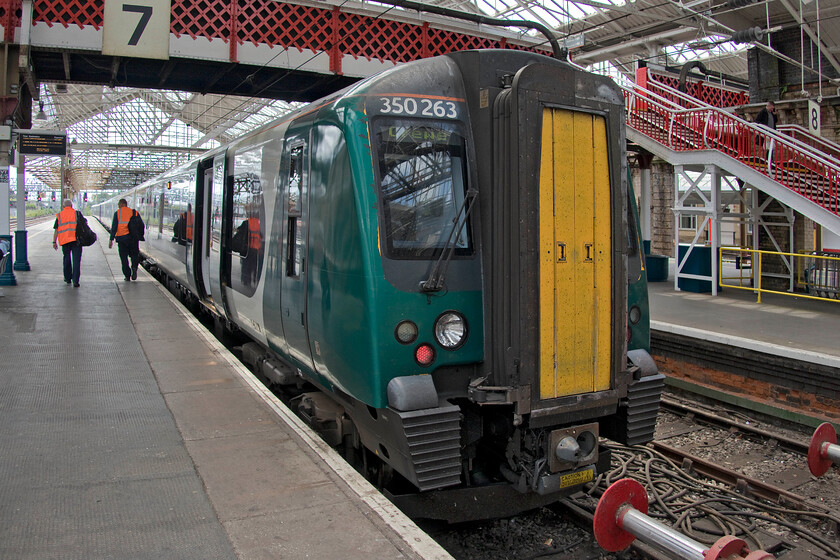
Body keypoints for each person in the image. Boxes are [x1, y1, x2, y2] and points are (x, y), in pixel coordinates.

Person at [109, 198, 141, 281]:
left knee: (124, 258)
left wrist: (111, 239)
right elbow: (141, 225)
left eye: (119, 205)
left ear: (122, 204)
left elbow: (114, 227)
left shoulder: (117, 213)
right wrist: (139, 236)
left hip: (122, 239)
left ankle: (127, 275)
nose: (118, 206)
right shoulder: (134, 212)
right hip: (133, 239)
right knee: (134, 255)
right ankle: (134, 267)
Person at [53, 198, 82, 287]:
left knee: (66, 259)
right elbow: (83, 226)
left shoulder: (60, 215)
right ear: (72, 206)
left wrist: (54, 241)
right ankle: (76, 281)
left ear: (63, 206)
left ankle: (67, 278)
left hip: (65, 241)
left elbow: (56, 230)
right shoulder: (77, 214)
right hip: (76, 240)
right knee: (76, 261)